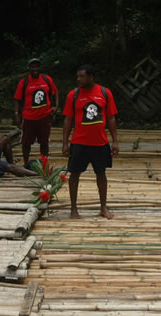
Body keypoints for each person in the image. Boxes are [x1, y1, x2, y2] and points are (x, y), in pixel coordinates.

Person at [62, 64, 119, 219]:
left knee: (101, 174)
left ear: (91, 77)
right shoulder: (73, 95)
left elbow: (111, 118)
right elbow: (68, 119)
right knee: (74, 175)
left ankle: (103, 207)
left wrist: (115, 141)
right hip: (79, 142)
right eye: (77, 76)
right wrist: (65, 142)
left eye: (82, 76)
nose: (78, 79)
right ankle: (73, 209)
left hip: (100, 143)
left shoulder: (104, 93)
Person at [13, 58, 58, 166]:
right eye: (32, 67)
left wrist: (56, 106)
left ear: (40, 67)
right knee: (26, 142)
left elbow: (55, 92)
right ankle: (26, 162)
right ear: (29, 68)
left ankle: (44, 163)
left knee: (44, 141)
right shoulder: (24, 82)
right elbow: (17, 99)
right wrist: (16, 114)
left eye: (37, 66)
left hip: (45, 116)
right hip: (29, 117)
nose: (35, 69)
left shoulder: (47, 79)